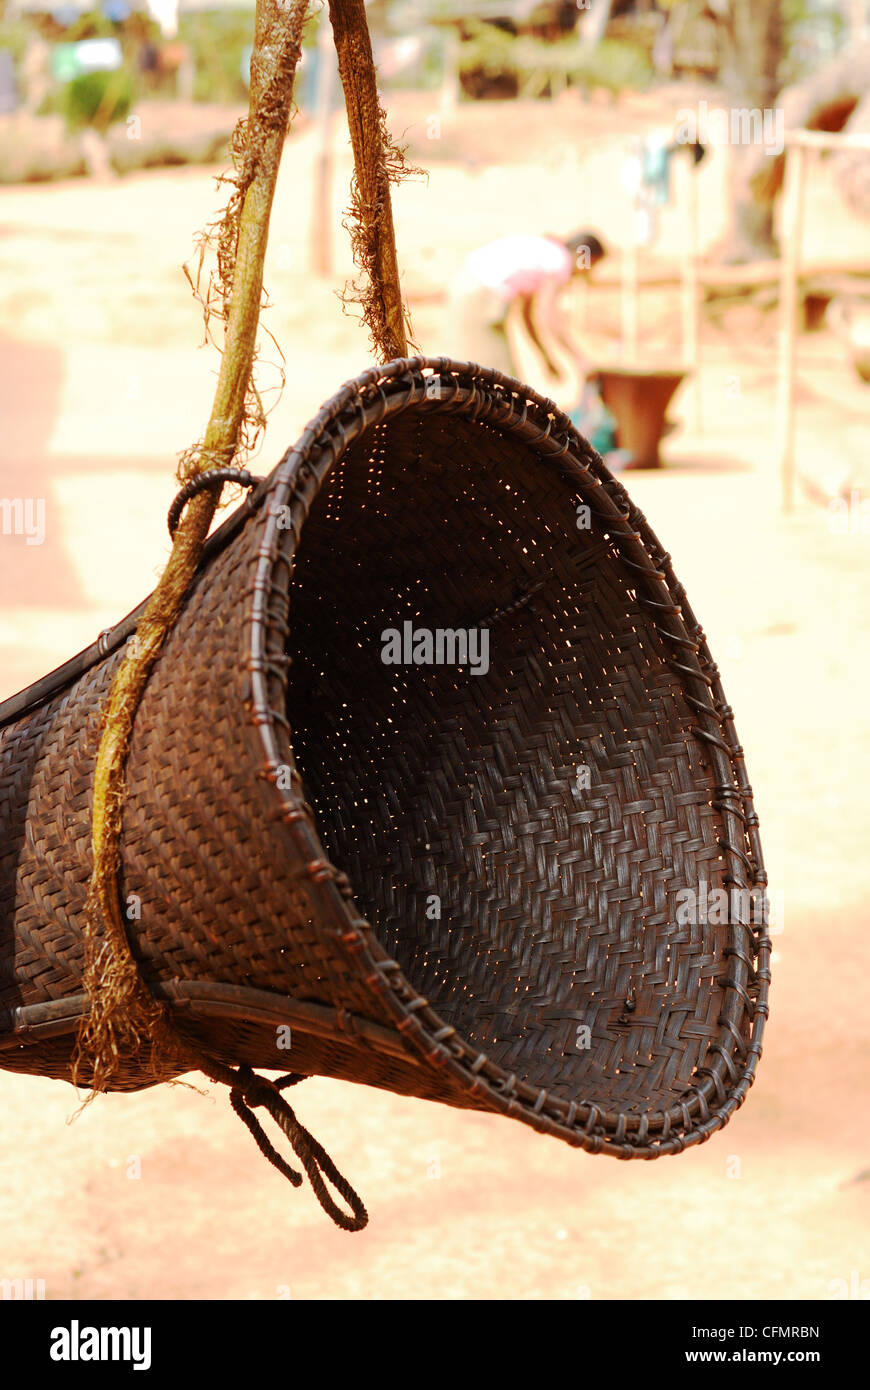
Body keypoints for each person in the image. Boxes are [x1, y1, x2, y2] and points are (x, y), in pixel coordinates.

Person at [446, 229, 606, 381]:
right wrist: (579, 359)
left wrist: (547, 359)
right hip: (479, 295)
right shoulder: (560, 261)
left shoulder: (547, 254)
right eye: (593, 265)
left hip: (468, 287)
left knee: (495, 374)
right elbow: (548, 319)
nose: (589, 273)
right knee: (498, 378)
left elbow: (530, 319)